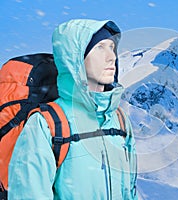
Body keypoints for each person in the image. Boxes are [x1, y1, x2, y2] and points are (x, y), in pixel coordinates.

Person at [8, 19, 137, 199]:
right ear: (75, 58)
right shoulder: (46, 123)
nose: (112, 56)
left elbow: (130, 191)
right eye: (100, 47)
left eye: (112, 47)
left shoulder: (120, 120)